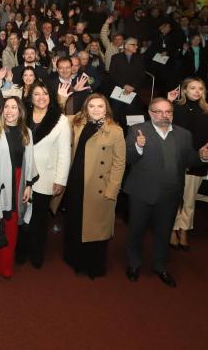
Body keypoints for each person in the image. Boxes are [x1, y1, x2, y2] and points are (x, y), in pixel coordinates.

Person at [124, 98, 208, 288]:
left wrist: (200, 157)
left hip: (170, 193)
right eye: (159, 112)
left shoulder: (184, 134)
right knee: (136, 231)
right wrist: (138, 146)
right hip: (142, 192)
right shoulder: (137, 130)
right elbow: (128, 159)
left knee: (164, 233)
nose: (164, 116)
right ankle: (133, 264)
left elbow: (188, 158)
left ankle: (160, 265)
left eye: (168, 112)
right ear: (150, 112)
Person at [54, 90, 126, 279]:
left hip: (99, 187)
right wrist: (61, 100)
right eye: (91, 106)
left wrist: (112, 190)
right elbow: (57, 119)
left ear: (106, 109)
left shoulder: (115, 131)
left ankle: (92, 265)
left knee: (95, 229)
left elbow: (119, 163)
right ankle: (74, 259)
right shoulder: (78, 122)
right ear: (86, 108)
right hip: (76, 182)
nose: (95, 110)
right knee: (75, 222)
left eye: (100, 106)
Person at [0, 97, 32, 279]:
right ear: (2, 110)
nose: (10, 111)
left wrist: (29, 185)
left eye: (14, 107)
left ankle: (7, 265)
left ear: (20, 111)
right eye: (7, 107)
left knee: (11, 227)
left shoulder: (26, 132)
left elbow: (30, 161)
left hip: (18, 183)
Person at [21, 82, 71, 268]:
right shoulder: (22, 116)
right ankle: (21, 250)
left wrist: (60, 180)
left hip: (45, 177)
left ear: (50, 97)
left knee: (39, 219)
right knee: (21, 214)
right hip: (22, 175)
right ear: (31, 98)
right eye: (37, 94)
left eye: (45, 94)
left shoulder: (61, 121)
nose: (41, 97)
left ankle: (36, 254)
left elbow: (65, 153)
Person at [166, 78, 208, 250]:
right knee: (174, 198)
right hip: (176, 160)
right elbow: (162, 129)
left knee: (189, 200)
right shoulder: (175, 108)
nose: (197, 91)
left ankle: (184, 230)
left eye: (200, 88)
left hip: (198, 159)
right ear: (184, 90)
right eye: (192, 88)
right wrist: (168, 103)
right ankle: (172, 229)